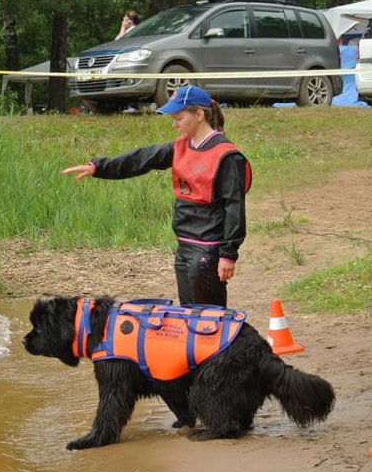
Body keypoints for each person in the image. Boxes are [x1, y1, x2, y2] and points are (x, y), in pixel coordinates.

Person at [61, 85, 251, 307]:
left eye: (179, 118)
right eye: (173, 119)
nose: (174, 124)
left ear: (199, 115)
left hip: (209, 249)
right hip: (185, 245)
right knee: (188, 313)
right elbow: (142, 159)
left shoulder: (227, 156)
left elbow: (234, 208)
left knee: (209, 316)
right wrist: (99, 167)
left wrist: (228, 254)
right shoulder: (180, 146)